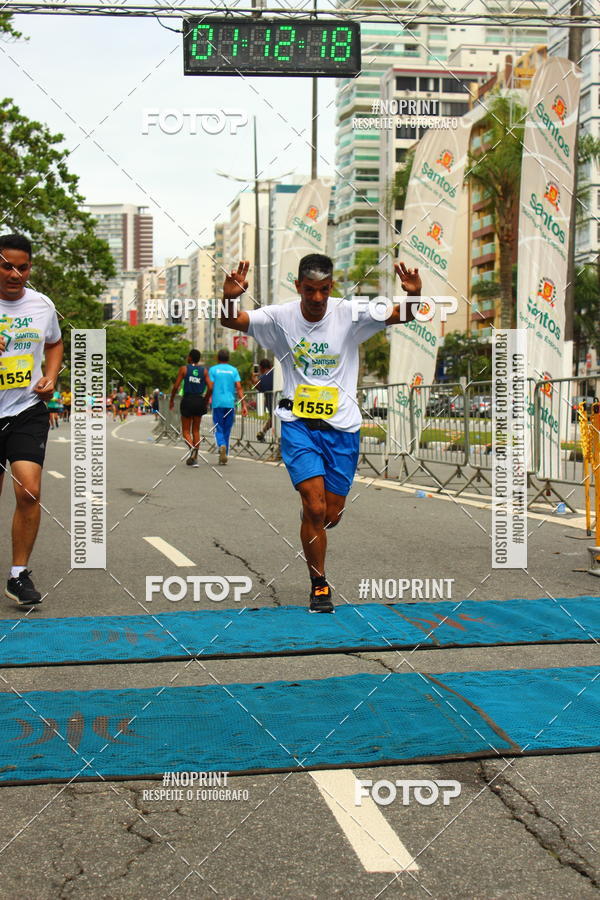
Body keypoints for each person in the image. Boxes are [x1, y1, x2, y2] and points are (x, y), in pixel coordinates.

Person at [220, 254, 421, 613]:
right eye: (309, 290)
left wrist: (413, 296)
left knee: (330, 513)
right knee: (314, 506)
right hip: (298, 423)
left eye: (324, 291)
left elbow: (401, 315)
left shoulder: (350, 314)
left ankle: (312, 520)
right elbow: (232, 319)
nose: (316, 298)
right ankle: (319, 583)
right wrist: (230, 296)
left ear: (332, 288)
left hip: (342, 428)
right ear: (298, 286)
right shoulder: (280, 317)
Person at [0, 233, 63, 607]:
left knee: (28, 489)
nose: (14, 274)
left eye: (22, 267)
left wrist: (51, 378)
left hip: (26, 410)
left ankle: (18, 575)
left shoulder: (42, 306)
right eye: (6, 266)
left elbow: (54, 343)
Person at [169, 349, 210, 467]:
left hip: (187, 400)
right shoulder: (204, 371)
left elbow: (176, 386)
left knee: (186, 431)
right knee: (196, 430)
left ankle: (192, 449)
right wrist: (206, 399)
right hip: (199, 400)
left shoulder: (184, 369)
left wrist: (171, 399)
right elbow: (211, 387)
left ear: (190, 358)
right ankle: (195, 458)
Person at [207, 349, 247, 465]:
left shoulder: (213, 370)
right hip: (230, 403)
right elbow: (239, 387)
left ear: (217, 358)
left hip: (218, 403)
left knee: (218, 426)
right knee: (227, 428)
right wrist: (244, 404)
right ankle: (225, 452)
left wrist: (205, 400)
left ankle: (221, 445)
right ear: (228, 358)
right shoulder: (233, 370)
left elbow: (210, 387)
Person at [251, 358, 274, 442]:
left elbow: (259, 388)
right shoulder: (276, 374)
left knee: (274, 418)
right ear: (270, 366)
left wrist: (253, 379)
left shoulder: (262, 378)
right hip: (279, 400)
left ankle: (264, 433)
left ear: (260, 368)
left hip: (269, 401)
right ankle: (263, 432)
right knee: (275, 419)